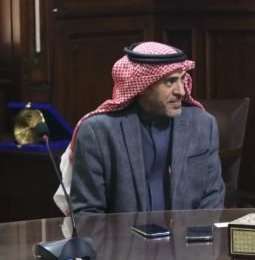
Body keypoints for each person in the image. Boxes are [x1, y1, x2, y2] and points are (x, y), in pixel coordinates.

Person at [54, 41, 224, 214]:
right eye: (170, 81)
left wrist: (196, 232)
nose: (181, 90)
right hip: (121, 232)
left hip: (188, 231)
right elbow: (88, 212)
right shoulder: (98, 132)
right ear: (142, 85)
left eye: (182, 79)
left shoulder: (203, 125)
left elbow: (212, 197)